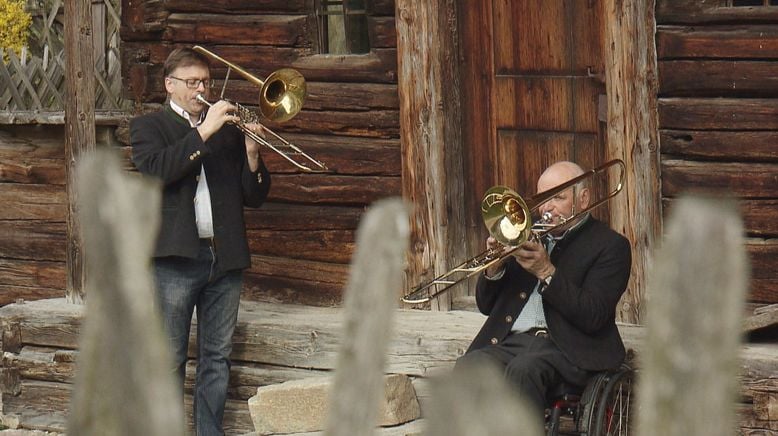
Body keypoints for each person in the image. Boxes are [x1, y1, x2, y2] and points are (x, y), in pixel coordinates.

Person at [130, 47, 271, 436]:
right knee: (170, 358)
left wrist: (253, 152)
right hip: (176, 259)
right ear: (170, 85)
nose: (201, 89)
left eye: (205, 81)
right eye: (192, 83)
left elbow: (254, 196)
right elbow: (158, 173)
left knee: (217, 358)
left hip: (224, 258)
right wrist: (204, 130)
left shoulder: (228, 132)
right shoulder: (148, 127)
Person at [457, 161, 631, 421]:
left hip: (568, 349)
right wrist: (494, 267)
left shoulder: (610, 246)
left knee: (524, 369)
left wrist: (546, 271)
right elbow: (486, 305)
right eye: (542, 199)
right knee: (470, 366)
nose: (546, 207)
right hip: (514, 343)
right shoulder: (528, 236)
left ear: (583, 199)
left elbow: (593, 315)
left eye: (557, 198)